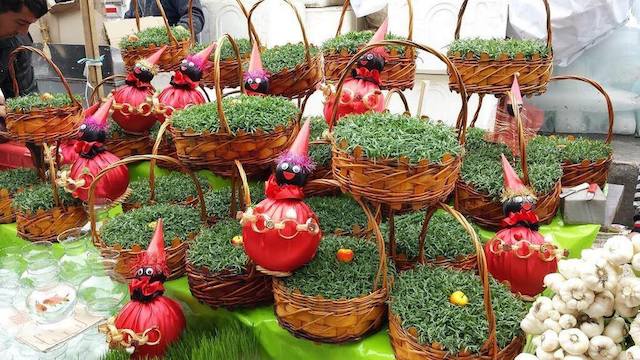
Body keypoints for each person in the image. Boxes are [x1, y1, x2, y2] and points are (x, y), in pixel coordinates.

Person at [0, 0, 48, 169]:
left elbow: (25, 96)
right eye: (20, 22)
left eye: (29, 24)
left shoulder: (17, 40)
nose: (23, 31)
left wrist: (41, 151)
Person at [125, 0, 205, 36]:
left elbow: (195, 15)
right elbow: (131, 17)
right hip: (148, 53)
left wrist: (178, 32)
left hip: (177, 54)